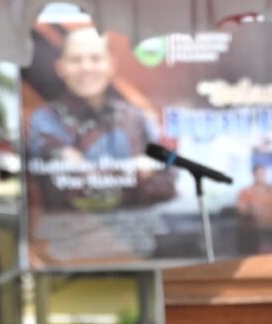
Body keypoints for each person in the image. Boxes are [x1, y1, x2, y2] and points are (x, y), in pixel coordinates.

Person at [25, 24, 175, 212]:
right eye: (75, 60)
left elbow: (167, 185)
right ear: (59, 67)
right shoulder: (45, 121)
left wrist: (91, 169)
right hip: (69, 233)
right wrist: (137, 171)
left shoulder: (135, 118)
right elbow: (73, 184)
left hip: (133, 232)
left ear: (112, 65)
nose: (86, 68)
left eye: (96, 59)